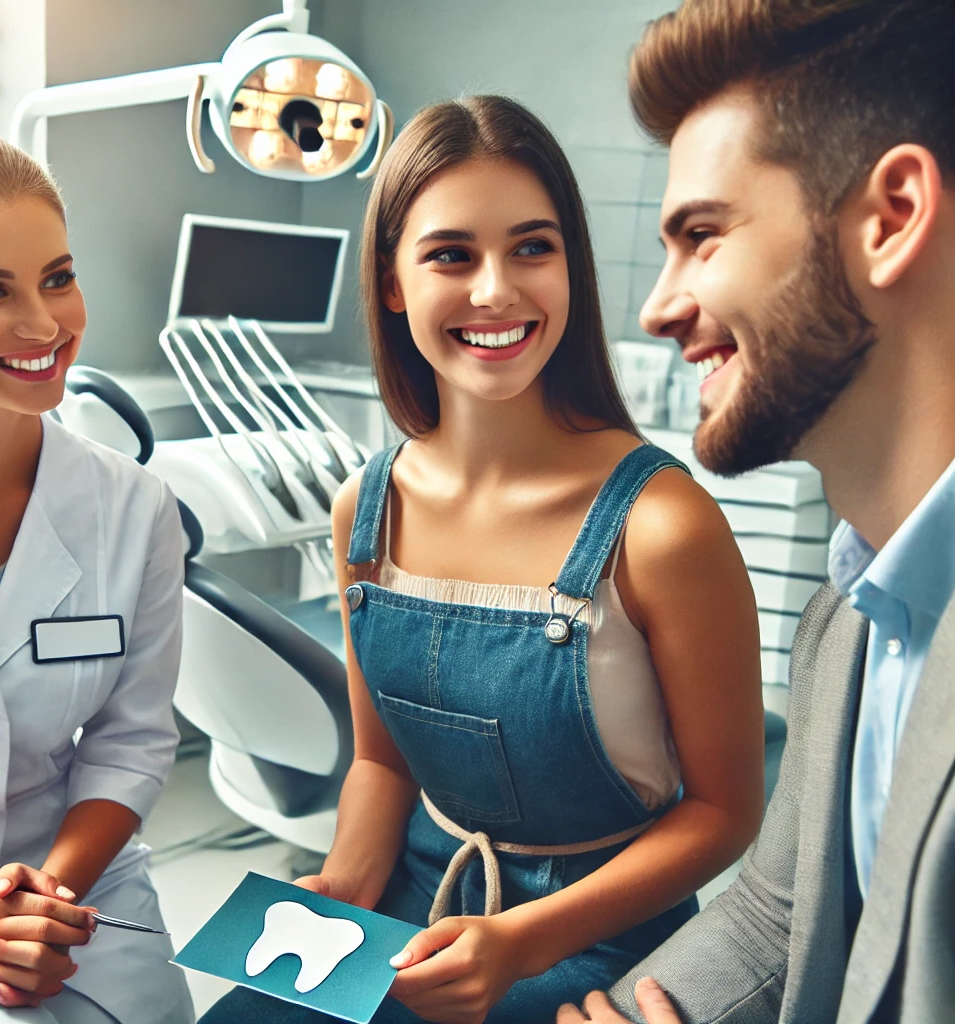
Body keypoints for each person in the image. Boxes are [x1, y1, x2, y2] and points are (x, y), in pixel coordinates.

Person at [200, 95, 764, 1024]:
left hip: (600, 932)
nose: (496, 290)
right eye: (451, 254)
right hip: (415, 893)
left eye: (533, 248)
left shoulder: (664, 526)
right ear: (392, 282)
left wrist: (521, 942)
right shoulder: (364, 510)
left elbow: (723, 813)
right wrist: (345, 881)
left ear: (571, 268)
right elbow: (381, 767)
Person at [555, 2, 955, 1023]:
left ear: (892, 214)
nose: (656, 304)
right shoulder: (850, 616)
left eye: (701, 235)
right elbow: (779, 916)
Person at [0, 126, 194, 1023]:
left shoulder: (135, 508)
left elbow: (131, 742)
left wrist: (38, 900)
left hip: (72, 879)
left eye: (57, 276)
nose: (45, 325)